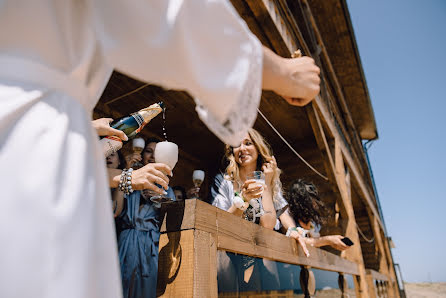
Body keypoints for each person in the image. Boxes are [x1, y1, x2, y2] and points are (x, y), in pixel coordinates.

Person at [0, 1, 319, 297]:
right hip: (33, 146)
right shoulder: (219, 181)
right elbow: (172, 14)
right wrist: (283, 72)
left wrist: (84, 126)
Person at [210, 128, 308, 291]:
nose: (242, 149)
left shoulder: (270, 180)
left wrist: (268, 185)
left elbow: (269, 224)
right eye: (237, 145)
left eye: (248, 143)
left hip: (262, 253)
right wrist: (242, 200)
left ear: (258, 148)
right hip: (229, 253)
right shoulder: (223, 181)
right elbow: (221, 223)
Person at [116, 138, 175, 298]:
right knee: (119, 286)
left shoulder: (166, 187)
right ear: (142, 154)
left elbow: (172, 222)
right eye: (149, 151)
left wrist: (160, 201)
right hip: (127, 240)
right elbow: (116, 210)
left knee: (146, 291)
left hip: (151, 245)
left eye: (157, 152)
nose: (153, 156)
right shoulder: (131, 179)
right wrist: (126, 171)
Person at [286, 179, 350, 251]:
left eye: (315, 200)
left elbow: (314, 245)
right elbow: (298, 241)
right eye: (310, 201)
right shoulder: (289, 220)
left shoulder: (314, 224)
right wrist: (328, 240)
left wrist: (330, 242)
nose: (315, 205)